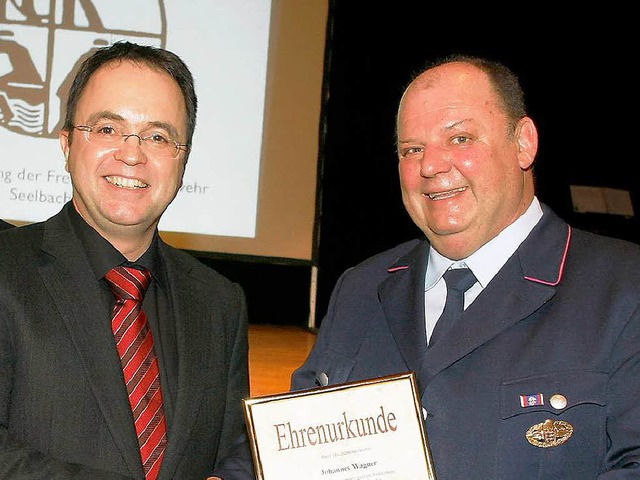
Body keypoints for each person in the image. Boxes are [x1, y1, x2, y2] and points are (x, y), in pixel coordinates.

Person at [290, 55, 640, 478]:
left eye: (460, 139)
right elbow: (291, 446)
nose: (431, 165)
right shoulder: (361, 288)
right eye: (412, 149)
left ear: (524, 143)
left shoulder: (623, 288)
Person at [0, 41, 253, 479]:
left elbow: (235, 451)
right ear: (66, 144)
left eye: (158, 136)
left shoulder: (219, 303)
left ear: (183, 160)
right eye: (107, 129)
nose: (132, 155)